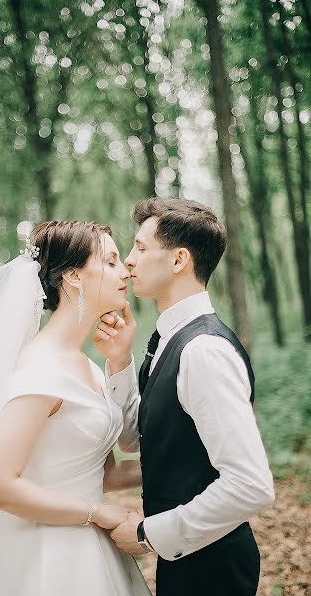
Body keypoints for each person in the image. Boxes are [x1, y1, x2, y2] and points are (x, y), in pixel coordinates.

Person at [0, 220, 152, 596]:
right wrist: (98, 512)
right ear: (74, 276)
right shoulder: (41, 369)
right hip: (52, 557)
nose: (123, 269)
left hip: (94, 550)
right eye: (109, 262)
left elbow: (102, 474)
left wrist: (185, 463)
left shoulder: (86, 365)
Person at [94, 197, 275, 596]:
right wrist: (120, 361)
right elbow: (137, 440)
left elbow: (251, 485)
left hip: (213, 570)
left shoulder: (203, 351)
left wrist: (147, 533)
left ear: (178, 260)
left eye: (141, 248)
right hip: (186, 563)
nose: (128, 260)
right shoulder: (169, 340)